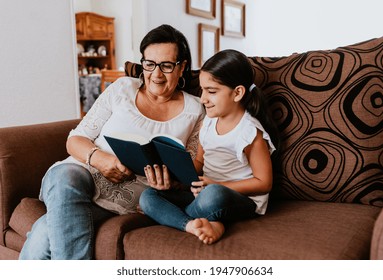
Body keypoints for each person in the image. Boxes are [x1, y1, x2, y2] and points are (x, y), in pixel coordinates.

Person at [19, 24, 204, 259]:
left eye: (167, 66)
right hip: (77, 179)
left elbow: (191, 171)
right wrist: (100, 159)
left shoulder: (196, 110)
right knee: (67, 175)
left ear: (182, 67)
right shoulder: (122, 88)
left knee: (45, 230)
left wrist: (171, 184)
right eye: (149, 64)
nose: (156, 75)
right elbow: (75, 139)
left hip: (123, 201)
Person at [140, 49, 279, 245]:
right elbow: (199, 161)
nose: (203, 98)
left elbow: (264, 183)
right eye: (203, 90)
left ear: (237, 93)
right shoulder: (209, 122)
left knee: (213, 196)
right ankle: (191, 225)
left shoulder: (249, 132)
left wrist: (218, 185)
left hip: (237, 198)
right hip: (204, 192)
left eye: (211, 92)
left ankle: (178, 217)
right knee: (148, 196)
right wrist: (178, 180)